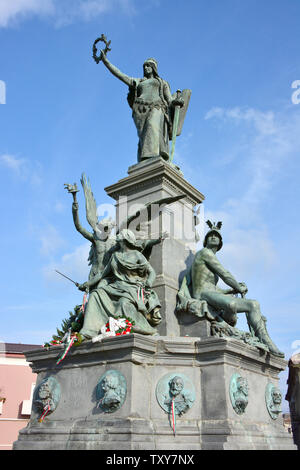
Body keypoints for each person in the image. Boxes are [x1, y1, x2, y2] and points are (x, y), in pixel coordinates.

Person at [179, 220, 284, 357]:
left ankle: (266, 340)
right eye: (210, 235)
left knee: (253, 304)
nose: (213, 237)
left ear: (220, 242)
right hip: (201, 294)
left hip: (210, 293)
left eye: (216, 236)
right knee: (231, 304)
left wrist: (232, 290)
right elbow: (225, 274)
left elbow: (215, 290)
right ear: (205, 241)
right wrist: (237, 287)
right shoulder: (204, 253)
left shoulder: (210, 258)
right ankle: (225, 325)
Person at [99, 51, 183, 162]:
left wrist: (177, 101)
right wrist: (105, 61)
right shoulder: (139, 81)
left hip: (157, 107)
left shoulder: (162, 82)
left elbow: (169, 100)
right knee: (144, 137)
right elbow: (120, 75)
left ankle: (152, 156)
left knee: (152, 125)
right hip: (140, 111)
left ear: (153, 68)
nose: (146, 68)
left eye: (148, 66)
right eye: (144, 66)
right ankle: (146, 159)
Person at [79, 229, 162, 339]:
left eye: (120, 234)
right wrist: (87, 284)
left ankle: (138, 328)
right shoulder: (115, 255)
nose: (117, 235)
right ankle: (89, 331)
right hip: (116, 287)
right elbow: (102, 274)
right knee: (95, 295)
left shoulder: (136, 254)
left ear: (124, 238)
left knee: (124, 303)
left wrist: (148, 283)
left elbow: (151, 272)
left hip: (132, 288)